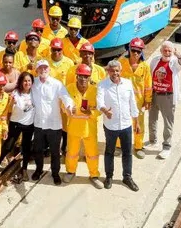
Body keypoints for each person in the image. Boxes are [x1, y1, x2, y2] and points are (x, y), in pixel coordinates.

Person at [97, 60, 140, 191]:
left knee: (127, 152)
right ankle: (109, 176)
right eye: (112, 70)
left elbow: (132, 103)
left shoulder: (127, 83)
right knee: (109, 152)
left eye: (117, 70)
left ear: (120, 71)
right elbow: (99, 102)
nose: (115, 73)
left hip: (126, 124)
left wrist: (136, 122)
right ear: (108, 71)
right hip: (111, 125)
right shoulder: (102, 85)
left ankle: (127, 177)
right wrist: (105, 111)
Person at [31, 60, 74, 185]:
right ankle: (38, 170)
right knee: (38, 150)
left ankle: (55, 173)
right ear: (37, 70)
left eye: (45, 68)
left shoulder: (57, 84)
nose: (43, 70)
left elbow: (66, 97)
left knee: (55, 152)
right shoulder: (33, 83)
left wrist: (69, 106)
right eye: (40, 68)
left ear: (49, 70)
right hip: (38, 123)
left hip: (54, 124)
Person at [64, 64, 103, 189]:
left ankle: (94, 175)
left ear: (89, 77)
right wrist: (69, 109)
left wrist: (90, 113)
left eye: (86, 77)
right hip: (74, 127)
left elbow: (100, 109)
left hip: (89, 129)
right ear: (76, 76)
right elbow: (63, 105)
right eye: (81, 76)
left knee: (92, 153)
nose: (83, 79)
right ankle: (70, 171)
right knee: (72, 152)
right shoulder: (69, 89)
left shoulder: (95, 90)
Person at [148, 40, 181, 159]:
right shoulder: (155, 60)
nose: (167, 52)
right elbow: (149, 74)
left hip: (167, 96)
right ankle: (153, 141)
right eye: (165, 50)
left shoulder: (174, 62)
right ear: (161, 50)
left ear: (173, 51)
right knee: (152, 118)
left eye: (169, 50)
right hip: (154, 94)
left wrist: (180, 57)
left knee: (168, 122)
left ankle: (166, 146)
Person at [0, 71, 35, 179]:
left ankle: (25, 169)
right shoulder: (15, 93)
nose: (27, 83)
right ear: (21, 82)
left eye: (29, 81)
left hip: (29, 125)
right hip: (16, 123)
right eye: (25, 81)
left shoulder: (34, 93)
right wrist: (11, 103)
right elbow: (9, 109)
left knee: (26, 148)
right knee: (8, 146)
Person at [119, 38, 152, 159]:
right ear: (129, 50)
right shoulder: (122, 63)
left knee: (139, 125)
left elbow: (148, 85)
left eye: (138, 51)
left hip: (138, 102)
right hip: (122, 100)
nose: (136, 54)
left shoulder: (145, 67)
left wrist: (148, 99)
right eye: (133, 51)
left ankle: (138, 146)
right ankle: (119, 145)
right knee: (121, 122)